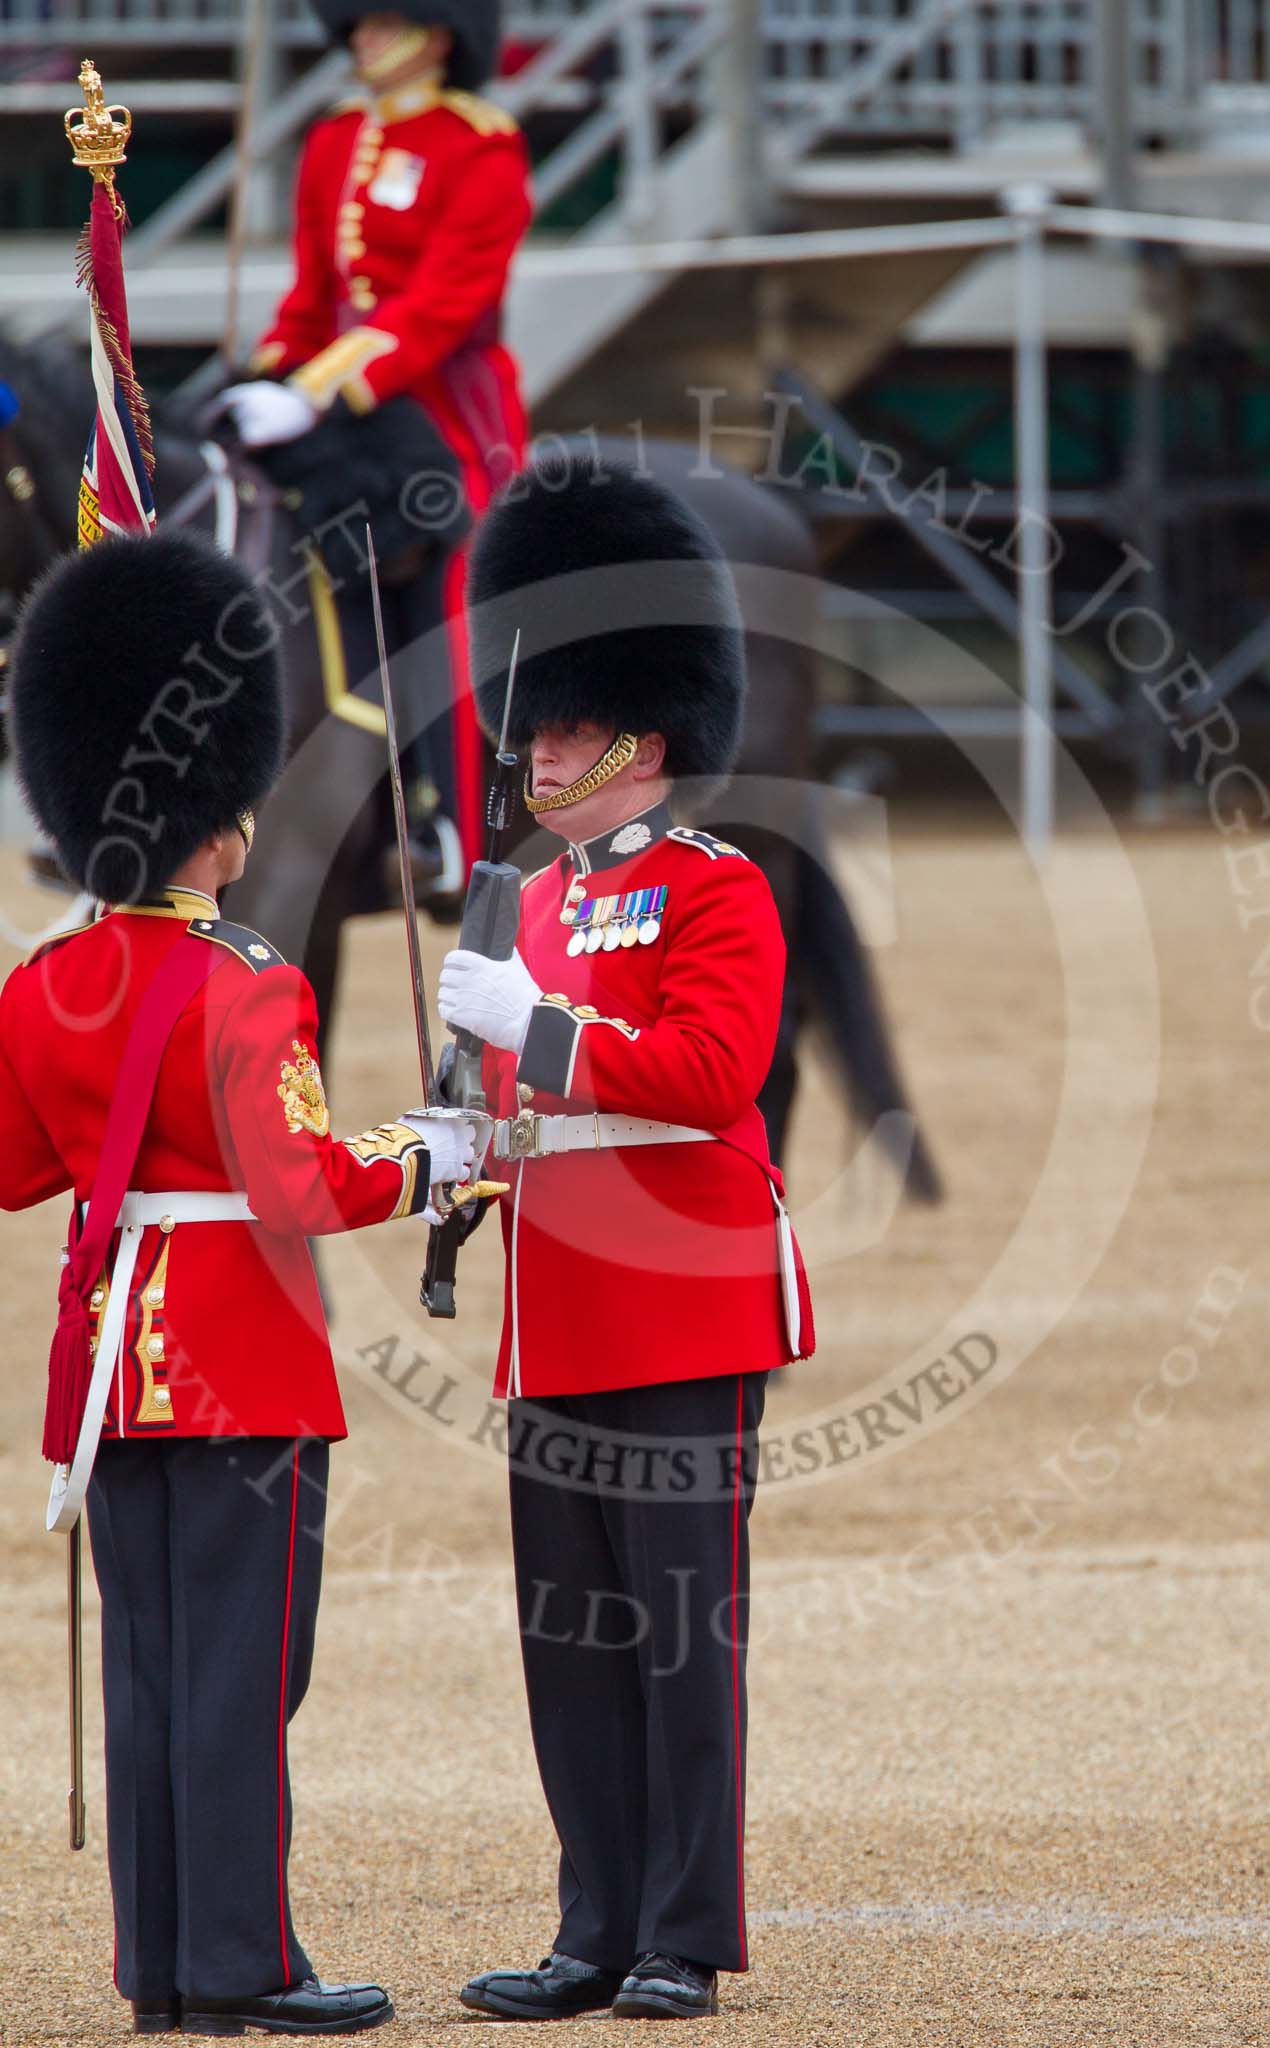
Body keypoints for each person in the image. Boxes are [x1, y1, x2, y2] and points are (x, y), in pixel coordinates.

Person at [0, 527, 474, 2036]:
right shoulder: (247, 977)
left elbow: (17, 1171)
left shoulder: (45, 980)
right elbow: (306, 1184)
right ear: (221, 817)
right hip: (238, 1358)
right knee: (245, 1680)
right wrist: (434, 1149)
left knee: (152, 1673)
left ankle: (161, 1972)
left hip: (108, 1374)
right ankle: (246, 1965)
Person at [435, 456, 816, 2021]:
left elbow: (711, 1079)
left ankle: (681, 1932)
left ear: (644, 741)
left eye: (568, 726)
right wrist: (458, 1138)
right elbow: (515, 1107)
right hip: (562, 1304)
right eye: (534, 725)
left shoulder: (717, 891)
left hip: (685, 1301)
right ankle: (592, 1923)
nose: (536, 748)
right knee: (572, 1643)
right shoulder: (517, 903)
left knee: (678, 1643)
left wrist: (541, 1031)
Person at [220, 0, 532, 889]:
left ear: (436, 34)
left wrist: (316, 390)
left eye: (380, 20)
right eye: (355, 20)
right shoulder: (335, 138)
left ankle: (457, 831)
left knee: (449, 582)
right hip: (337, 404)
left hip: (442, 411)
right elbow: (313, 293)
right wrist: (270, 374)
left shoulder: (481, 145)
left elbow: (439, 308)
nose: (358, 35)